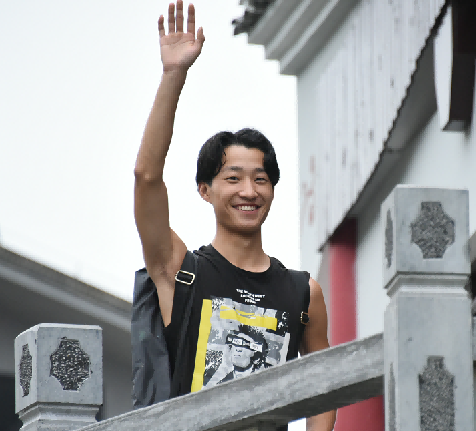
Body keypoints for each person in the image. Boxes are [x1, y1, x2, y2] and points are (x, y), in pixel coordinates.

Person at [133, 2, 337, 430]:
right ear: (205, 190)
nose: (249, 191)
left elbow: (325, 386)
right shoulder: (179, 271)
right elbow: (146, 177)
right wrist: (174, 75)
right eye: (233, 178)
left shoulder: (304, 294)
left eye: (261, 179)